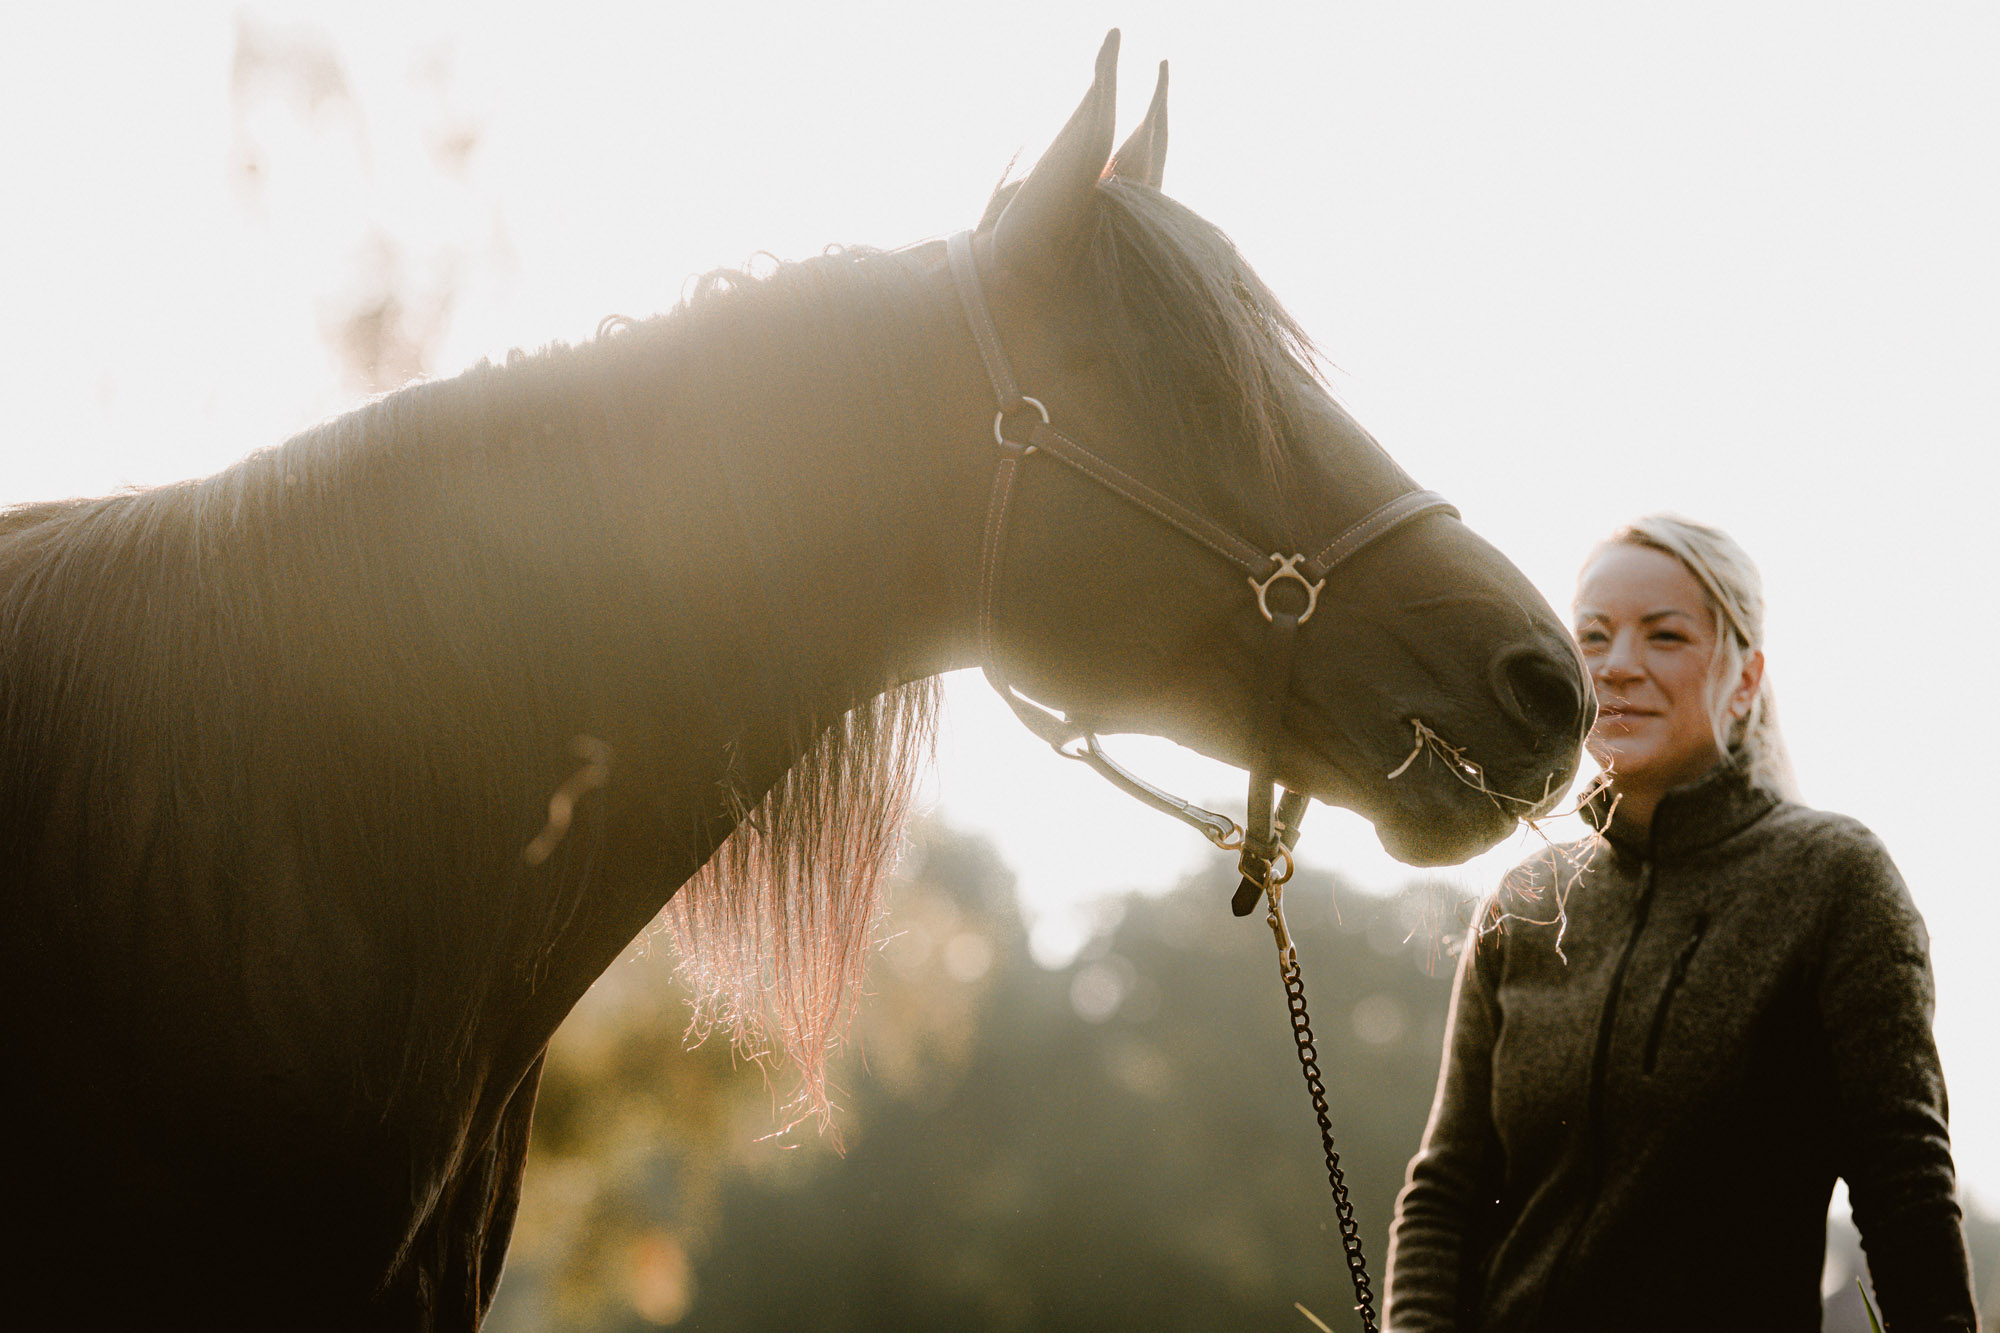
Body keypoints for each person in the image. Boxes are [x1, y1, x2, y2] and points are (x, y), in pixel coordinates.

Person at [1384, 515, 1978, 1331]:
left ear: (1744, 677)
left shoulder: (1834, 878)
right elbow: (1445, 1191)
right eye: (1592, 636)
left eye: (1664, 636)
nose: (1619, 665)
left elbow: (1905, 1186)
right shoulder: (1524, 899)